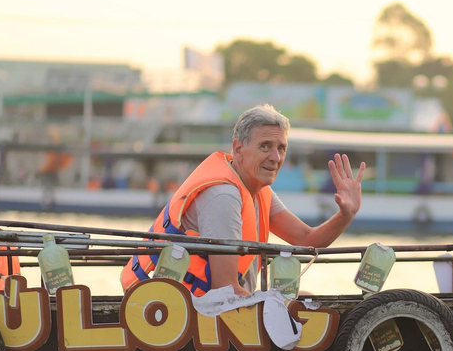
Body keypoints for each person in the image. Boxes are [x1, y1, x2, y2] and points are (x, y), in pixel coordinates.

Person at [121, 104, 366, 297]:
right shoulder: (223, 197)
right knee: (303, 306)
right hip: (190, 314)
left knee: (308, 300)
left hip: (213, 305)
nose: (275, 157)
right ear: (238, 149)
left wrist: (346, 215)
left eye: (281, 148)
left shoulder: (259, 191)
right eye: (265, 146)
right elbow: (224, 291)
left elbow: (308, 240)